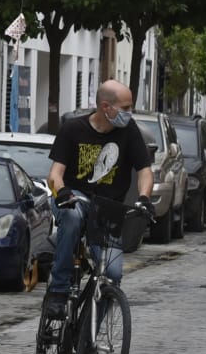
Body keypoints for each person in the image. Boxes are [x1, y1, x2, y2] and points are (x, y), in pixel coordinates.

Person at [42, 79, 153, 318]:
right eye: (126, 108)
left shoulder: (129, 130)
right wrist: (62, 192)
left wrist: (144, 197)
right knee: (72, 219)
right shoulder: (73, 129)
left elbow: (145, 170)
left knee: (113, 275)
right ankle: (58, 290)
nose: (129, 113)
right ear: (105, 107)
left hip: (107, 208)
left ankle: (90, 333)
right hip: (75, 198)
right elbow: (55, 174)